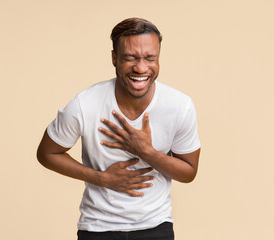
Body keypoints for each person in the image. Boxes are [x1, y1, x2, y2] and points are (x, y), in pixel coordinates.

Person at [37, 17, 201, 240]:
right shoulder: (85, 103)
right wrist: (101, 179)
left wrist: (147, 152)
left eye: (150, 58)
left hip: (156, 227)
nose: (141, 67)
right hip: (98, 228)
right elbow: (47, 153)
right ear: (114, 58)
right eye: (130, 58)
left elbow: (189, 171)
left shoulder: (179, 106)